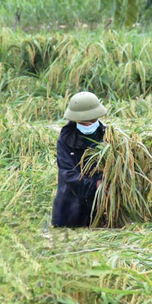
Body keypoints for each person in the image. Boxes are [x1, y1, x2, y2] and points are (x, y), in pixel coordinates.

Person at [52, 92, 107, 228]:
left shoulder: (108, 136)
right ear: (75, 120)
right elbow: (68, 174)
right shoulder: (65, 139)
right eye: (84, 122)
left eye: (92, 121)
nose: (88, 125)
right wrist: (96, 184)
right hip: (70, 203)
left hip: (98, 203)